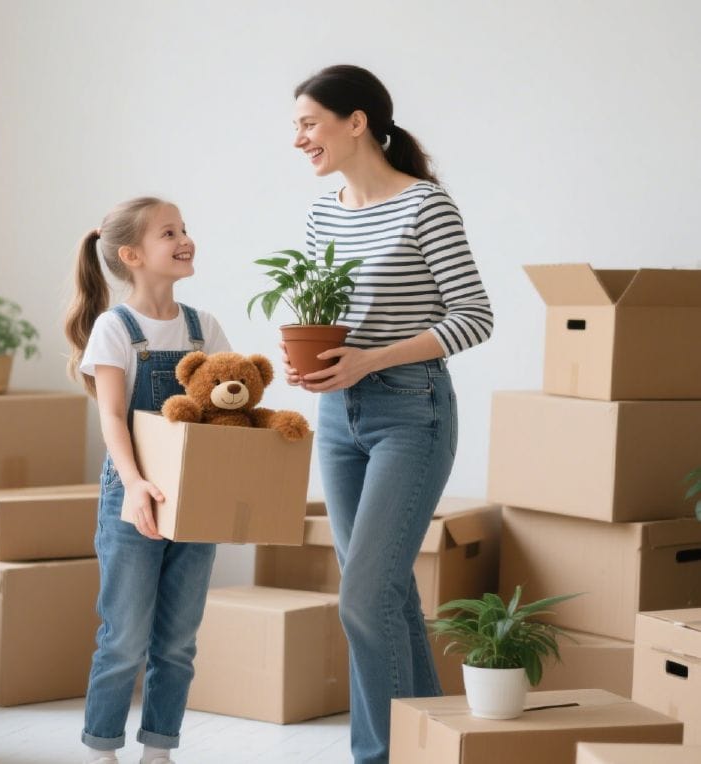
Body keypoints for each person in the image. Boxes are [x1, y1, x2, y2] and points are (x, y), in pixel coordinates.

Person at [287, 66, 494, 764]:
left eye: (308, 123)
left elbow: (474, 317)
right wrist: (307, 353)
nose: (298, 139)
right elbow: (321, 312)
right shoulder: (323, 211)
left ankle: (379, 758)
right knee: (387, 595)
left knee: (362, 595)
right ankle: (433, 747)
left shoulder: (424, 205)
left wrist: (370, 360)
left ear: (355, 122)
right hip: (337, 416)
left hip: (411, 411)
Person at [65, 197, 231, 764]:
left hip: (194, 497)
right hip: (133, 495)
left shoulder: (203, 327)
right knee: (123, 639)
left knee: (178, 642)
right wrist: (135, 486)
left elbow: (227, 408)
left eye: (185, 228)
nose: (185, 238)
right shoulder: (116, 328)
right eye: (169, 233)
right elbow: (112, 416)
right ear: (132, 255)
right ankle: (101, 748)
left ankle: (158, 750)